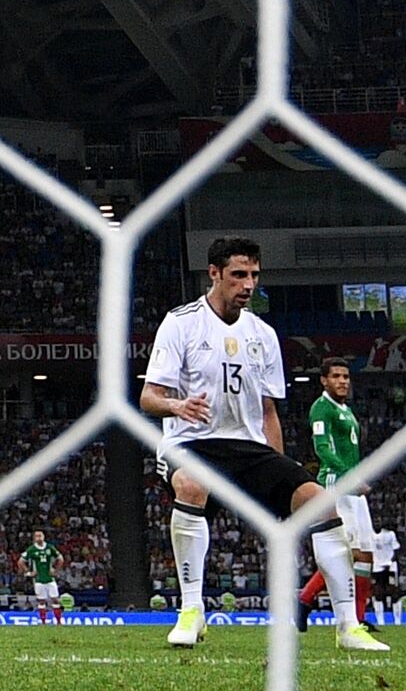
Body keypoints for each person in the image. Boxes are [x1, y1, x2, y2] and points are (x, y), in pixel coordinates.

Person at [140, 237, 387, 651]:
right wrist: (177, 405)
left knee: (320, 501)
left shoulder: (264, 334)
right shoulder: (181, 322)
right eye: (238, 275)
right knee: (191, 486)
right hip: (193, 441)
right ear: (214, 274)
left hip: (249, 447)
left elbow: (268, 410)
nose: (248, 284)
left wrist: (277, 469)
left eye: (254, 275)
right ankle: (191, 611)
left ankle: (349, 627)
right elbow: (149, 397)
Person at [296, 357, 377, 633]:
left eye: (346, 376)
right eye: (336, 376)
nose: (343, 381)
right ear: (324, 380)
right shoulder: (321, 408)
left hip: (353, 490)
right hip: (336, 485)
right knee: (349, 553)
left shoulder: (345, 409)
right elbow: (322, 448)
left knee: (366, 556)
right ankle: (309, 602)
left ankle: (357, 615)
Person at [18, 530, 63, 625]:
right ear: (34, 538)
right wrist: (28, 572)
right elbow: (20, 561)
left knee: (55, 599)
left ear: (44, 537)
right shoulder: (32, 549)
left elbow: (60, 558)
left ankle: (59, 621)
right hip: (38, 579)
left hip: (50, 578)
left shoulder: (50, 547)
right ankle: (43, 622)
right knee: (41, 601)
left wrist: (56, 570)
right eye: (37, 536)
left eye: (41, 535)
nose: (39, 538)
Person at [370, 527, 402, 626]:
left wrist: (390, 562)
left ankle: (397, 621)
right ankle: (380, 621)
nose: (377, 523)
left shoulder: (390, 534)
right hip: (377, 567)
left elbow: (396, 550)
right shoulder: (369, 535)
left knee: (393, 591)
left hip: (390, 566)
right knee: (378, 592)